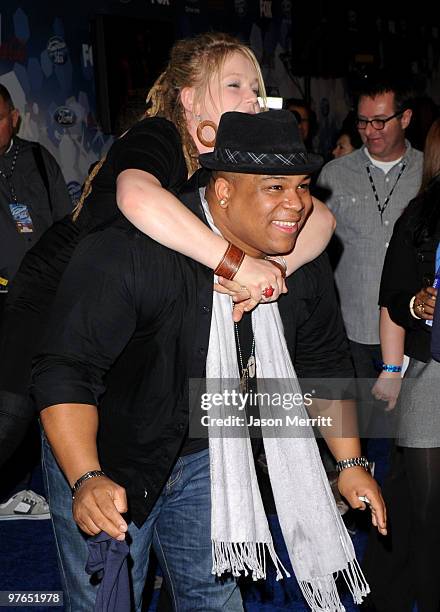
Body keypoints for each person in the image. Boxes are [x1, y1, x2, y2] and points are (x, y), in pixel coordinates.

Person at [32, 109, 386, 612]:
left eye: (303, 186)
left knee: (214, 600)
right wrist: (86, 479)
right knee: (107, 603)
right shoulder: (132, 252)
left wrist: (349, 462)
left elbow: (322, 360)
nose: (297, 206)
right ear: (222, 192)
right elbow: (65, 370)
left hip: (208, 453)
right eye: (275, 188)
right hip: (109, 449)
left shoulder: (294, 266)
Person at [0, 33, 335, 468]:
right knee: (11, 421)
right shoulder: (158, 134)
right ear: (192, 98)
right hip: (55, 293)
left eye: (256, 88)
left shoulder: (237, 154)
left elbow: (321, 218)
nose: (252, 98)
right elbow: (136, 196)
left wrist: (268, 271)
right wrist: (237, 264)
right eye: (234, 85)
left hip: (124, 313)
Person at [317, 72, 423, 439]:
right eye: (362, 122)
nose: (370, 130)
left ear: (405, 118)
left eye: (380, 121)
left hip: (411, 331)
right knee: (355, 431)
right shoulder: (333, 174)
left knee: (407, 434)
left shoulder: (428, 174)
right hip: (348, 331)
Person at [362, 118, 440, 612]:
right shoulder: (422, 215)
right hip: (430, 375)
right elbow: (391, 297)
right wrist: (417, 304)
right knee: (429, 512)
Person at [0, 82, 72, 520]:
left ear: (13, 118)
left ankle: (19, 490)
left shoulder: (39, 161)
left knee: (34, 397)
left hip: (37, 300)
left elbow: (64, 226)